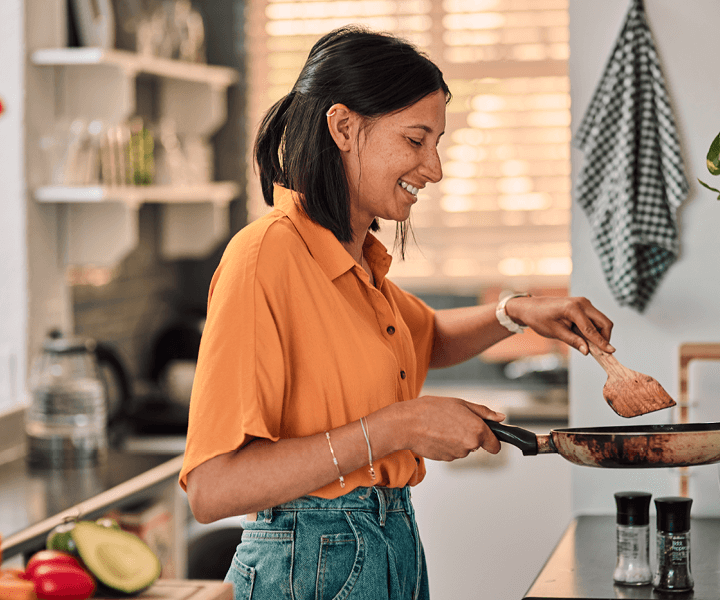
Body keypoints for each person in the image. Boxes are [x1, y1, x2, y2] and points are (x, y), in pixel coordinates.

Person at [179, 25, 614, 600]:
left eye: (436, 143)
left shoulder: (355, 260)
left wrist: (516, 312)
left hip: (391, 542)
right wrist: (398, 427)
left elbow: (426, 336)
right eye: (416, 140)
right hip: (309, 564)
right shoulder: (267, 258)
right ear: (343, 128)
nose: (433, 168)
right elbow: (212, 488)